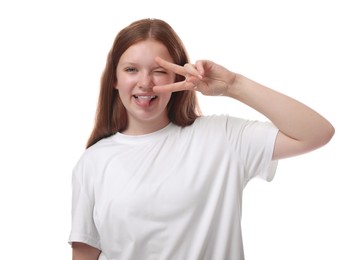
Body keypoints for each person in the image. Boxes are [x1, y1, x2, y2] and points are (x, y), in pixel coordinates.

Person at [68, 18, 334, 260]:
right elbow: (85, 254)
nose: (145, 83)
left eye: (159, 71)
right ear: (114, 79)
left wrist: (233, 85)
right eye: (131, 69)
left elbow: (316, 132)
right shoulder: (93, 162)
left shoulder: (222, 138)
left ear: (178, 76)